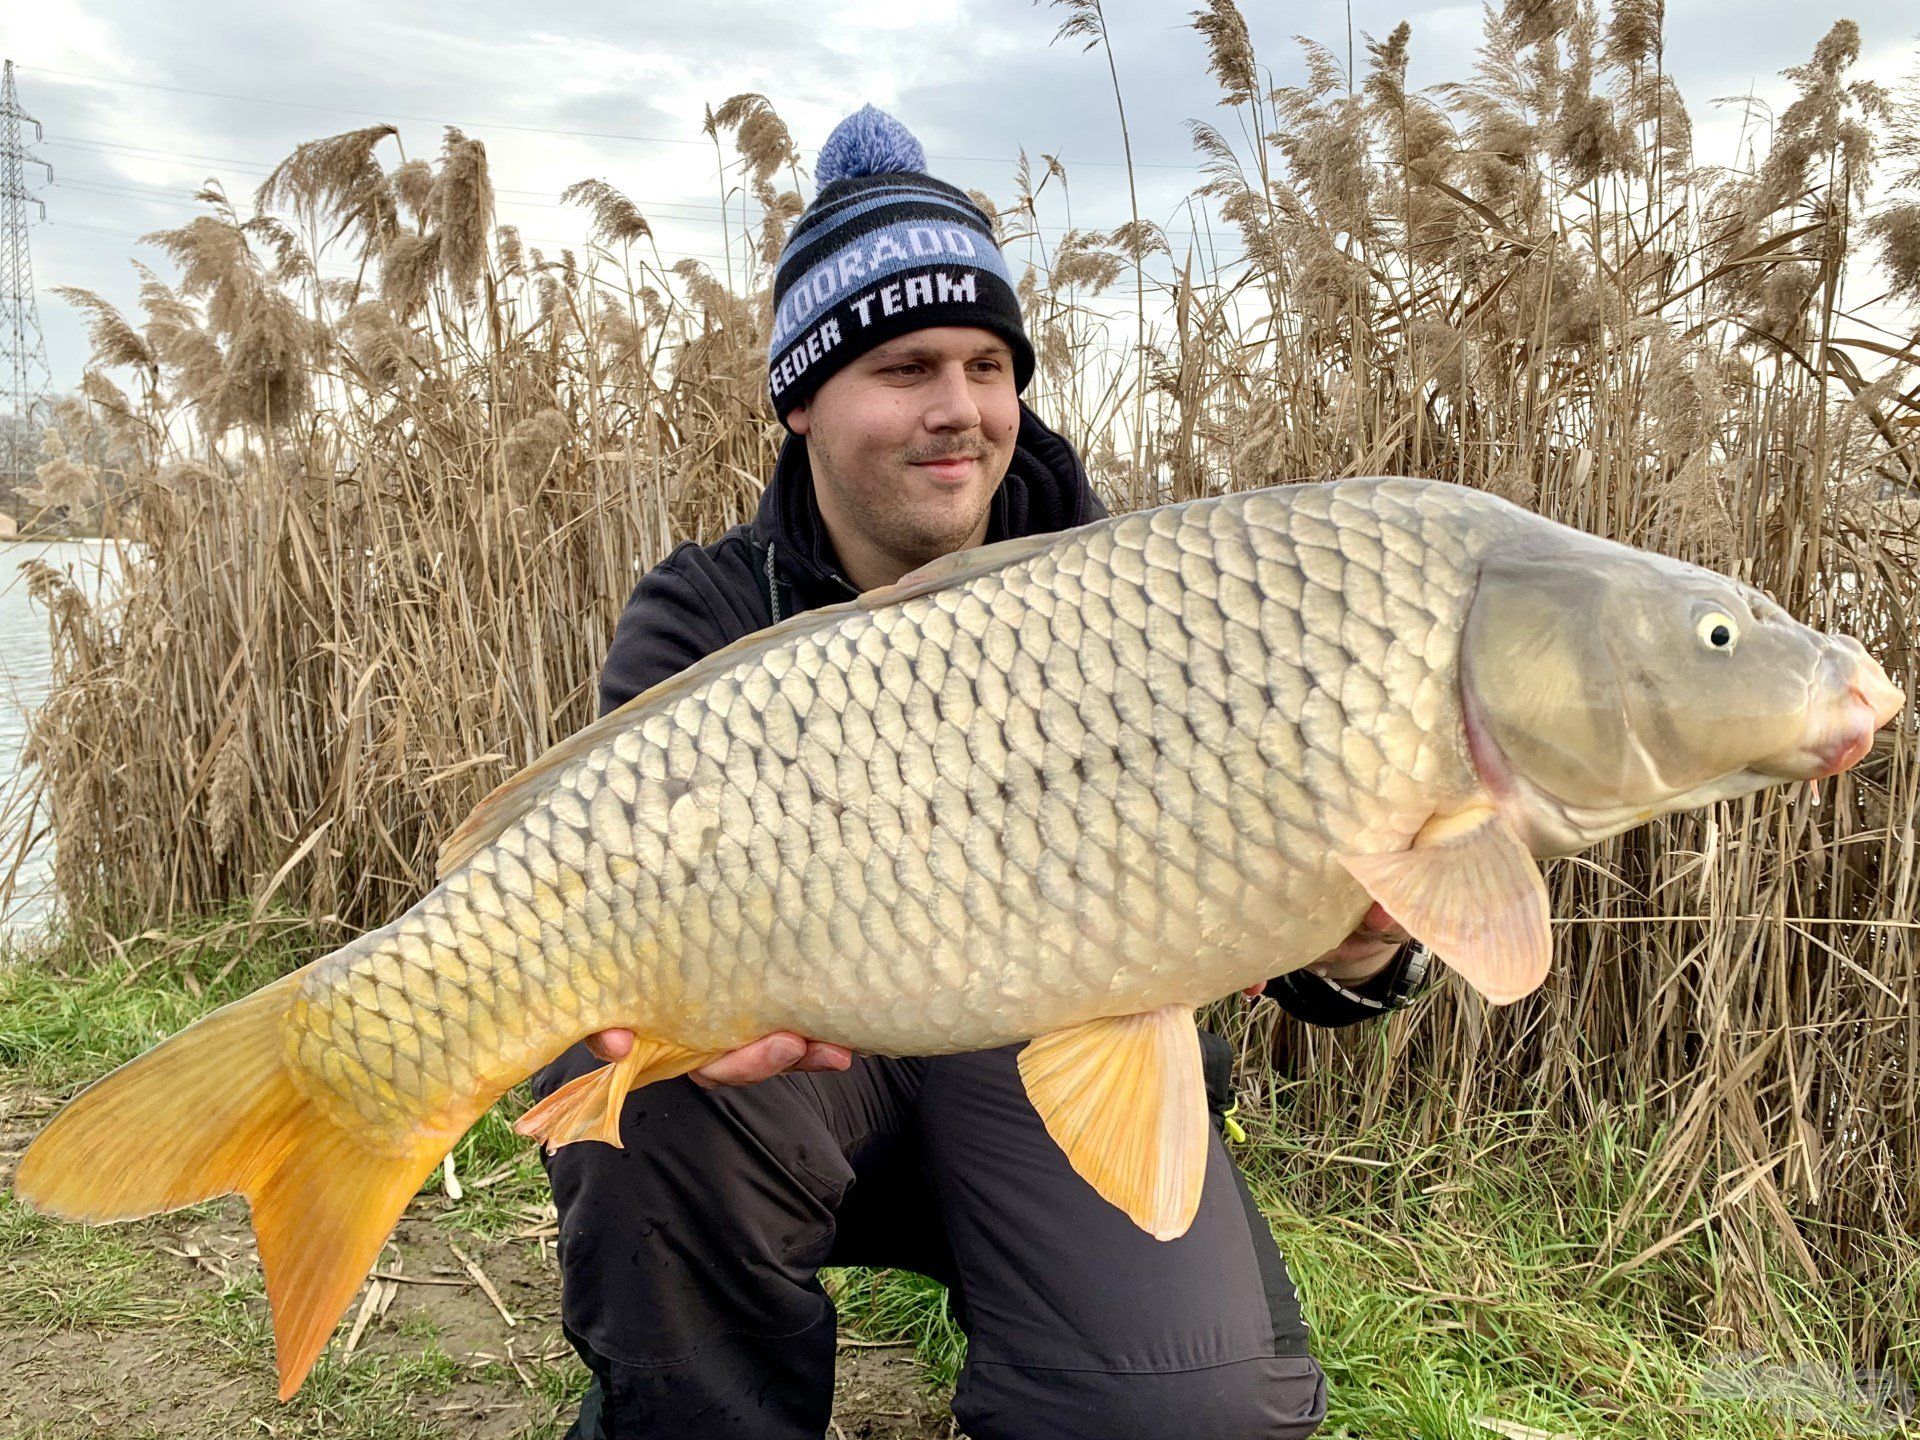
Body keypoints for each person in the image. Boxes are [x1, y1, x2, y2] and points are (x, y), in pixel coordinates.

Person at [536, 106, 1433, 1440]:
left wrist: (1363, 952)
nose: (958, 411)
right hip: (802, 1085)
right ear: (801, 399)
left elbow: (1297, 929)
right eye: (904, 367)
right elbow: (601, 902)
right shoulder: (706, 615)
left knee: (1189, 1414)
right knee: (631, 1092)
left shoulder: (1149, 598)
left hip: (1063, 1063)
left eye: (987, 365)